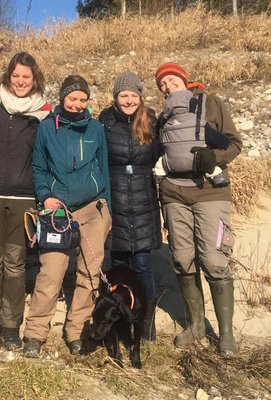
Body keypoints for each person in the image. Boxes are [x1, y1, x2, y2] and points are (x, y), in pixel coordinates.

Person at [155, 62, 242, 356]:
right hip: (173, 195)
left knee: (215, 260)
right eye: (162, 84)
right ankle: (196, 325)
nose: (167, 86)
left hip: (210, 193)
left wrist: (212, 156)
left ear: (183, 79)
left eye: (170, 80)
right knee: (181, 258)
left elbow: (235, 144)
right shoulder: (164, 117)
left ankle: (226, 333)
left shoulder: (213, 104)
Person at [23, 75, 112, 358]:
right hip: (57, 209)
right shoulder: (47, 128)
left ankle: (76, 331)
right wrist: (45, 196)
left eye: (82, 99)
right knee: (51, 271)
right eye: (72, 99)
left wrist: (105, 205)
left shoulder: (95, 127)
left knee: (89, 273)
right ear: (62, 98)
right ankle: (36, 333)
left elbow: (104, 166)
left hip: (92, 209)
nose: (77, 104)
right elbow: (39, 168)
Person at [0, 52, 51, 351]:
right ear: (9, 76)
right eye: (16, 76)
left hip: (23, 197)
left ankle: (10, 327)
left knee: (16, 265)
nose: (21, 82)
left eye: (26, 77)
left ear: (35, 80)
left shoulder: (43, 111)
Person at [98, 72, 162, 342]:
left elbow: (162, 154)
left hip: (144, 202)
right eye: (123, 95)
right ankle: (121, 319)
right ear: (115, 97)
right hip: (115, 201)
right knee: (119, 266)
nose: (128, 100)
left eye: (133, 95)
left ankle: (146, 324)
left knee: (143, 265)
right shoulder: (105, 121)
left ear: (140, 97)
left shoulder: (151, 120)